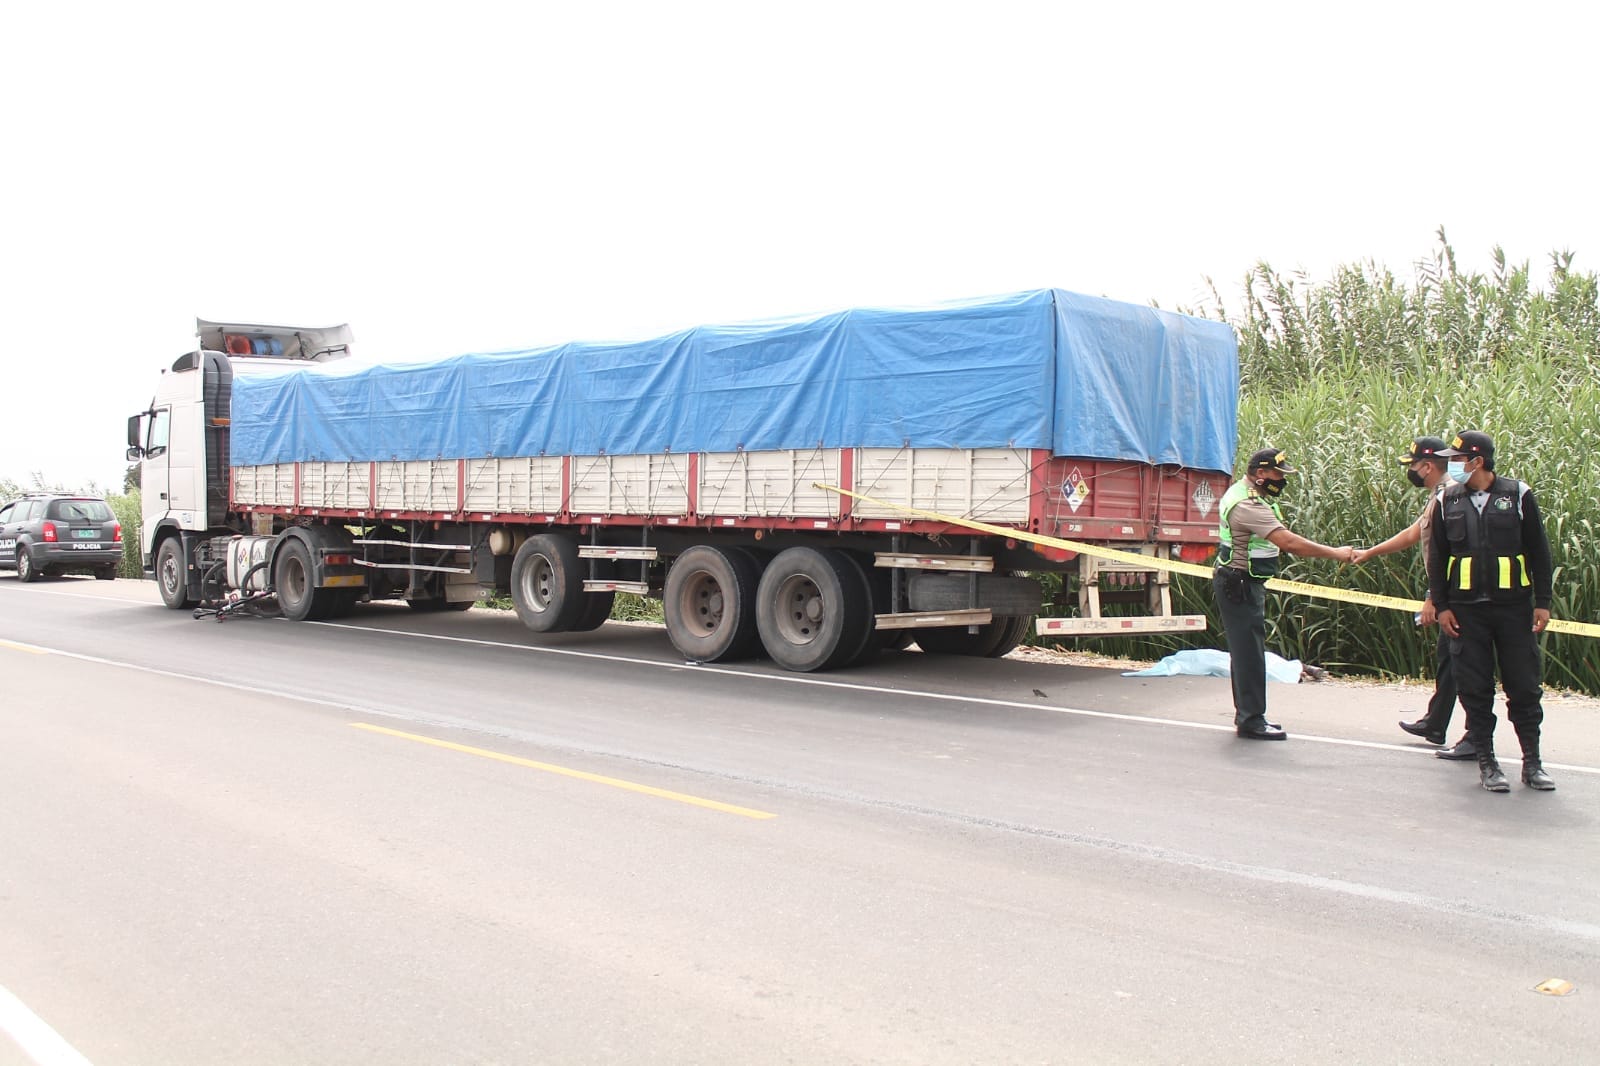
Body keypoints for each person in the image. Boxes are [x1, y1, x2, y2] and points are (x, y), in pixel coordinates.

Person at [1426, 431, 1556, 792]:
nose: (1452, 466)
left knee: (1525, 687)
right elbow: (1437, 558)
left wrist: (1542, 602)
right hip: (1467, 613)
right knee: (1475, 689)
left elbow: (1539, 551)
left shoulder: (1517, 495)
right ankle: (1487, 763)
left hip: (1514, 609)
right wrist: (1443, 606)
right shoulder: (1446, 500)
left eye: (1457, 459)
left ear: (1477, 461)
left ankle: (1533, 764)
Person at [1214, 448, 1356, 741]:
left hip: (1243, 580)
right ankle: (1252, 720)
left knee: (1246, 651)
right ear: (1261, 474)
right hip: (1240, 583)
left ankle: (1250, 715)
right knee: (1249, 654)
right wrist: (1336, 554)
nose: (1282, 480)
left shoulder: (1246, 493)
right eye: (1278, 474)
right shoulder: (1248, 503)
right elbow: (1288, 542)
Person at [1352, 436, 1471, 757]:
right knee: (1450, 658)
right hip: (1451, 592)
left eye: (1414, 465)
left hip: (1456, 593)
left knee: (1464, 661)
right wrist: (1371, 553)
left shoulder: (1449, 496)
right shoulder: (1439, 495)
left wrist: (1435, 598)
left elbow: (1452, 552)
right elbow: (1414, 533)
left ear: (1428, 466)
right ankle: (1435, 722)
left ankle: (1472, 734)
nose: (1412, 471)